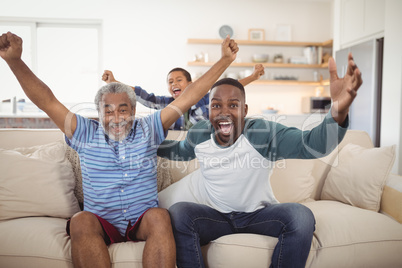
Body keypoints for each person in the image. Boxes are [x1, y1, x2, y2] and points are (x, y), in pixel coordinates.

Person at [0, 31, 239, 268]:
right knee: (80, 221)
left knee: (159, 216)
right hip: (102, 222)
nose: (116, 118)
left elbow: (190, 96)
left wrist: (224, 61)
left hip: (142, 220)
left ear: (133, 112)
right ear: (100, 114)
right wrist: (15, 61)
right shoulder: (85, 132)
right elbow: (47, 101)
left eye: (123, 110)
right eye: (108, 111)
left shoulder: (150, 128)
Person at [157, 53, 362, 267]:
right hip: (215, 216)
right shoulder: (200, 134)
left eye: (233, 105)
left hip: (258, 215)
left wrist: (338, 110)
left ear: (244, 110)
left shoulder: (263, 134)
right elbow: (179, 151)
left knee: (301, 217)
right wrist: (147, 141)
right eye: (216, 106)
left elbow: (313, 144)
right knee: (180, 213)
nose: (223, 112)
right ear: (209, 111)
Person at [101, 64, 265, 130]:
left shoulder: (206, 99)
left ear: (191, 84)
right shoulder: (166, 103)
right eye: (170, 82)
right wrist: (115, 82)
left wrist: (252, 77)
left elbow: (228, 87)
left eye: (179, 80)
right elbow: (143, 96)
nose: (174, 84)